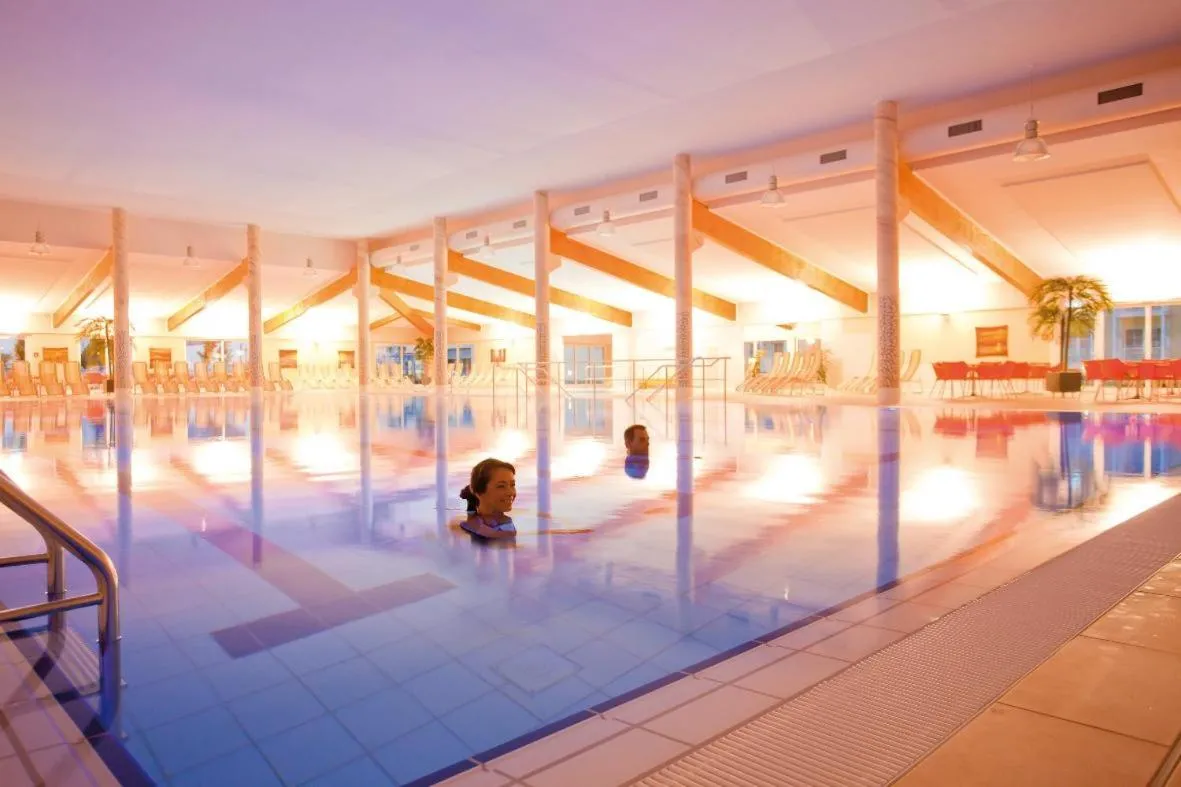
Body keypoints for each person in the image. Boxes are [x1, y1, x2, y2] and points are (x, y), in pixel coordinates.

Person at [457, 458, 518, 539]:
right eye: (501, 486)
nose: (510, 493)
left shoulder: (507, 523)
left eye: (512, 485)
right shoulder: (473, 526)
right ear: (479, 491)